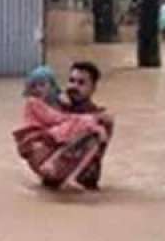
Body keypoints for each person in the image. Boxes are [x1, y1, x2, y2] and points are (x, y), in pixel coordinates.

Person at [13, 62, 113, 191]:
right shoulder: (55, 106)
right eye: (71, 81)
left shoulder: (101, 117)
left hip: (83, 187)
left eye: (81, 83)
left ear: (93, 88)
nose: (74, 86)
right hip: (52, 184)